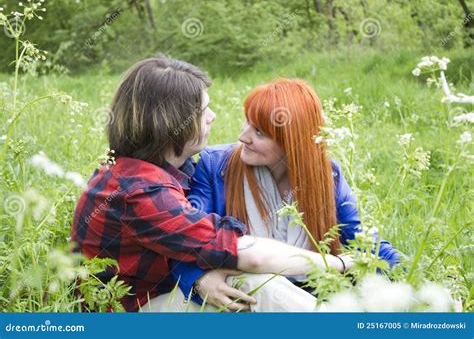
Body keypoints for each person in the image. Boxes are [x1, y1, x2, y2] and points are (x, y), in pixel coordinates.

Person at [71, 57, 352, 312]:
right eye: (203, 109)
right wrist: (338, 264)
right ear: (172, 122)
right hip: (127, 314)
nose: (212, 116)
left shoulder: (166, 171)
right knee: (256, 285)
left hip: (160, 301)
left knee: (248, 285)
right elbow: (248, 255)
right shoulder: (141, 190)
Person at [168, 78, 400, 312]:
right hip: (244, 298)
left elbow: (363, 241)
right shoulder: (215, 165)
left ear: (291, 142)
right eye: (246, 122)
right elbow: (183, 237)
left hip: (313, 295)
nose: (243, 137)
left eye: (258, 132)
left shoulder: (328, 175)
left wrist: (415, 275)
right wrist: (197, 279)